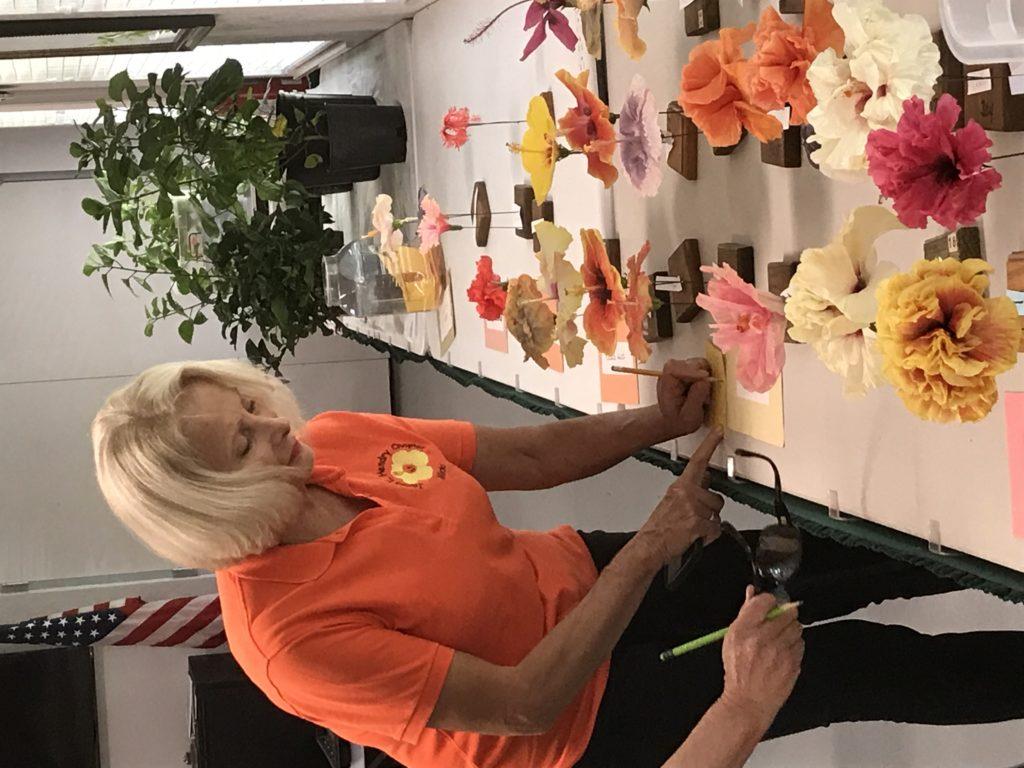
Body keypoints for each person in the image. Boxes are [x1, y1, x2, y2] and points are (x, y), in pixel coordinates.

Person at [91, 358, 1024, 768]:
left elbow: (527, 458)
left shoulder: (331, 440)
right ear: (207, 504)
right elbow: (525, 700)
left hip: (592, 575)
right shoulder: (288, 639)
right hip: (588, 720)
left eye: (248, 409)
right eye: (241, 446)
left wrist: (657, 422)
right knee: (861, 666)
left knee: (836, 556)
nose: (272, 429)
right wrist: (656, 542)